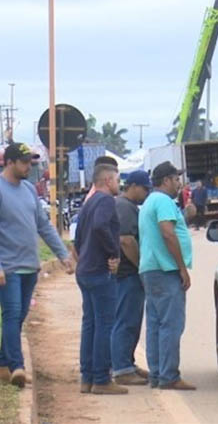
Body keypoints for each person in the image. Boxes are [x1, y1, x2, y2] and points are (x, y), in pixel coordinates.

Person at [0, 143, 73, 388]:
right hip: (6, 267)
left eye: (30, 162)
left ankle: (2, 365)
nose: (28, 167)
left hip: (29, 266)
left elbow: (43, 225)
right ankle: (17, 366)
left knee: (18, 315)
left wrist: (63, 254)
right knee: (11, 314)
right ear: (9, 163)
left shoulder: (29, 190)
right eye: (24, 162)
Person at [138, 161, 196, 390]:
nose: (179, 183)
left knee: (156, 323)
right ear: (166, 181)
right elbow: (167, 233)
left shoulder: (150, 201)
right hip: (165, 269)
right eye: (175, 179)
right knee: (171, 324)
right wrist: (182, 267)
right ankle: (169, 375)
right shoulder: (163, 201)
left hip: (151, 269)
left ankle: (157, 373)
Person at [74, 163, 127, 395]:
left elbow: (77, 237)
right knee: (105, 324)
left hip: (85, 269)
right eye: (116, 180)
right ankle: (101, 379)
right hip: (99, 271)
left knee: (91, 324)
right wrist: (113, 253)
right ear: (107, 181)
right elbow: (100, 226)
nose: (119, 184)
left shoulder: (89, 201)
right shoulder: (106, 201)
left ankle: (87, 377)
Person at [111, 171, 153, 386]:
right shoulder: (125, 207)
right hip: (128, 273)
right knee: (126, 321)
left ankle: (127, 361)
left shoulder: (127, 206)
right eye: (145, 189)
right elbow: (126, 240)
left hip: (127, 274)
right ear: (133, 186)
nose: (147, 193)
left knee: (131, 320)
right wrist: (141, 267)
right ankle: (121, 368)